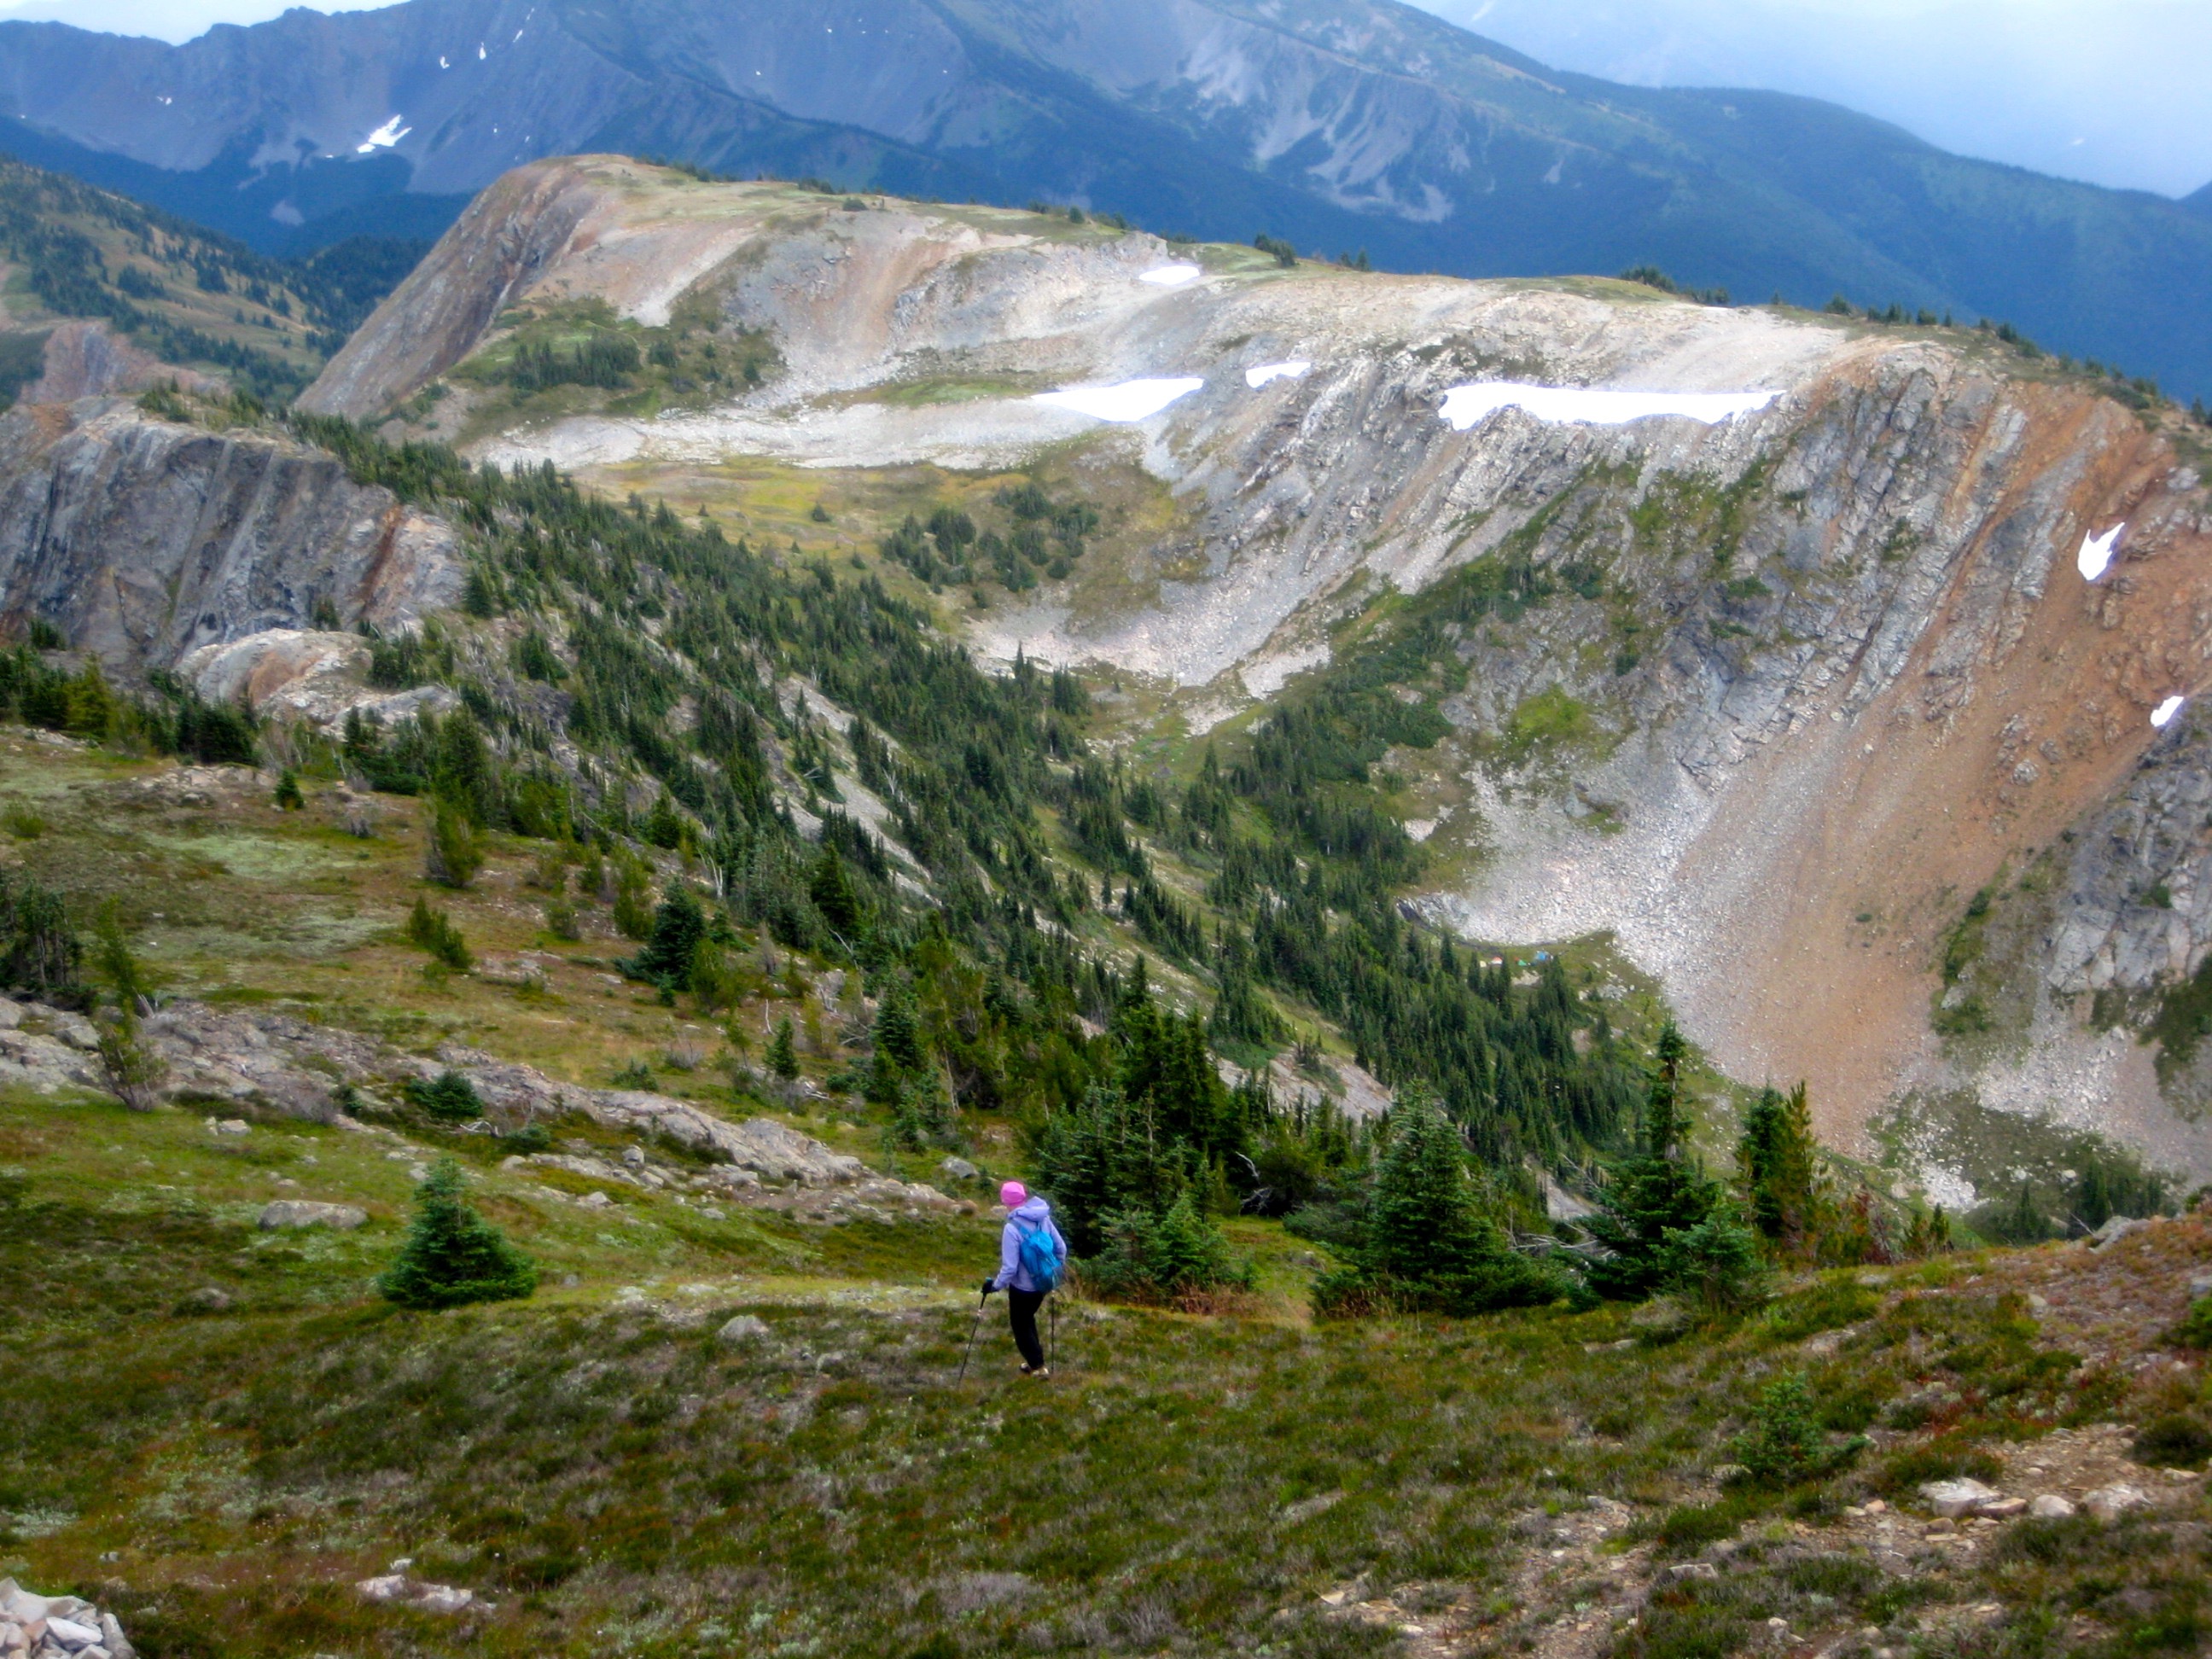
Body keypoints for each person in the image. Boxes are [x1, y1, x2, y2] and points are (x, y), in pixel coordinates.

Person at [985, 1180, 1067, 1377]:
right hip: (1044, 1283)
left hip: (1022, 1288)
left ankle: (1038, 1367)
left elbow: (1010, 1267)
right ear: (1024, 1196)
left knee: (1020, 1325)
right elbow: (1061, 1248)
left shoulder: (1012, 1228)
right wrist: (1054, 1270)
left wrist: (995, 1286)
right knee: (1028, 1319)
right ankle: (1034, 1362)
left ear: (1005, 1201)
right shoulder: (1042, 1218)